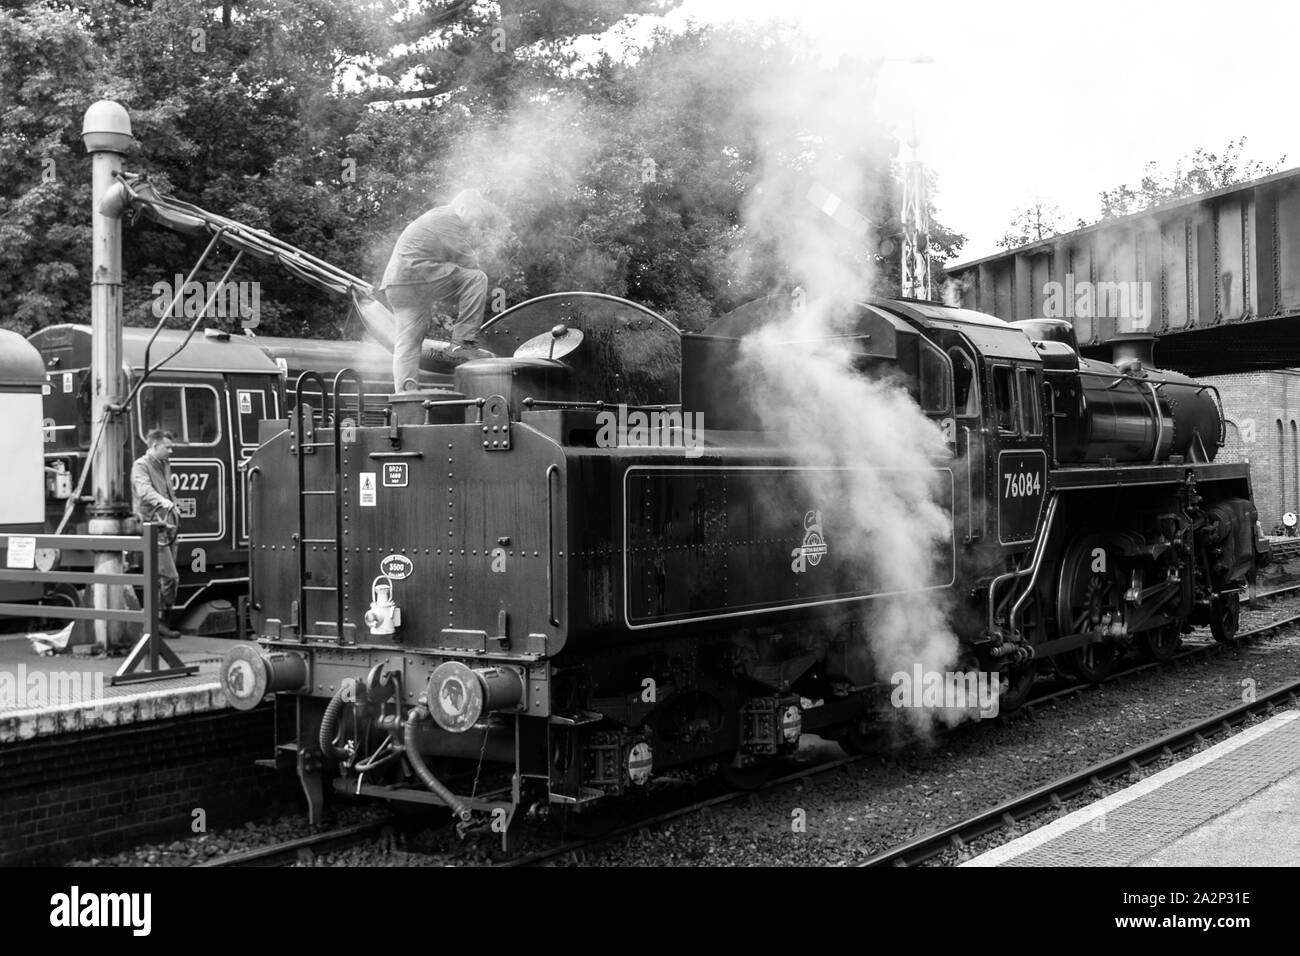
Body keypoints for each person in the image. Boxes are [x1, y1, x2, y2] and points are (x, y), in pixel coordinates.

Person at [380, 189, 497, 392]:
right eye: (472, 217)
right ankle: (463, 343)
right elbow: (466, 259)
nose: (472, 224)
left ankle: (405, 393)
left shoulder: (435, 219)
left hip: (398, 285)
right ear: (462, 207)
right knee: (477, 279)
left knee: (408, 342)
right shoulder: (447, 217)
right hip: (415, 276)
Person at [131, 428, 181, 639]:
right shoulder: (141, 465)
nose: (171, 451)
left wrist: (173, 508)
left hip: (168, 525)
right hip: (153, 527)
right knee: (170, 577)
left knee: (165, 578)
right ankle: (160, 621)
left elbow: (168, 490)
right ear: (154, 446)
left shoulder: (164, 464)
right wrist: (163, 502)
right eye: (167, 447)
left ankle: (159, 621)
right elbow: (144, 491)